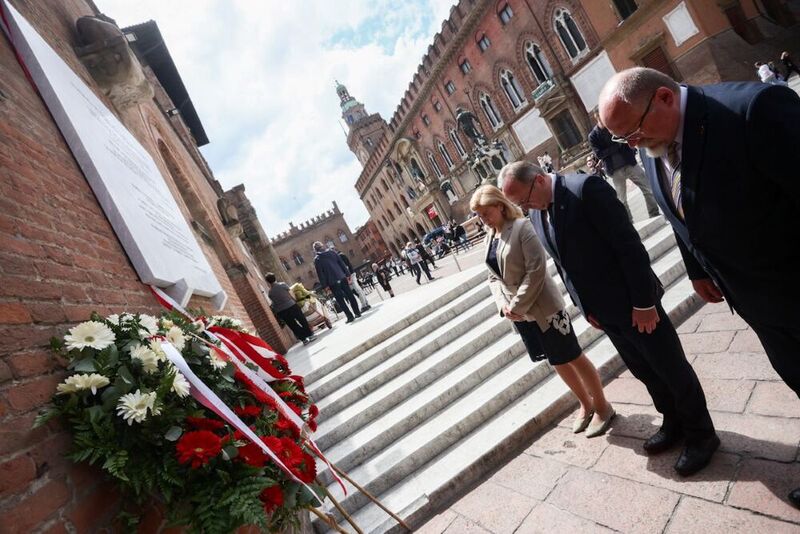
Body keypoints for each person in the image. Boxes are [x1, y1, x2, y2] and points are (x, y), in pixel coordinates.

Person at [599, 67, 800, 498]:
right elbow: (680, 213)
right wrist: (696, 267)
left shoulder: (751, 110)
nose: (631, 144)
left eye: (632, 130)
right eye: (622, 140)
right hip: (754, 300)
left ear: (666, 99)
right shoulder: (653, 152)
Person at [501, 161, 718, 477]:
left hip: (635, 304)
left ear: (538, 180)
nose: (522, 207)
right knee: (645, 370)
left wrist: (644, 303)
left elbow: (628, 246)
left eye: (523, 198)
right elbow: (565, 265)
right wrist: (585, 306)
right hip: (605, 312)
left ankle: (701, 435)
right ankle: (673, 421)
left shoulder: (585, 190)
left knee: (670, 368)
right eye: (517, 203)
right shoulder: (536, 211)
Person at [471, 184, 615, 437]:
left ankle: (603, 406)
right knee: (556, 360)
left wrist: (516, 305)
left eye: (486, 213)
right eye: (479, 215)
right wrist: (503, 305)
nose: (482, 219)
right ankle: (584, 403)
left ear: (500, 206)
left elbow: (536, 270)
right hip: (521, 314)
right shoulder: (489, 237)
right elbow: (493, 278)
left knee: (573, 356)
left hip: (544, 309)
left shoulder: (521, 228)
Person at [589, 113, 660, 219]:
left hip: (629, 163)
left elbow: (626, 139)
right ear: (597, 118)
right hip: (615, 170)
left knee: (648, 188)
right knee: (622, 200)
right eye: (603, 118)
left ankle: (654, 213)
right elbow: (599, 154)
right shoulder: (593, 135)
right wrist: (616, 146)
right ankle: (629, 222)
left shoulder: (614, 126)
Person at [312, 241, 361, 323]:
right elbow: (341, 263)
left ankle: (350, 317)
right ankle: (357, 313)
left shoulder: (317, 259)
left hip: (332, 282)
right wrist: (348, 274)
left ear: (315, 250)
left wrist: (325, 286)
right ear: (322, 246)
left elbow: (321, 274)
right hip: (342, 277)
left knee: (340, 300)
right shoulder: (332, 252)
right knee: (350, 295)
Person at [265, 273, 316, 345]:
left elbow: (275, 303)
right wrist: (295, 301)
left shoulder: (270, 293)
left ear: (268, 282)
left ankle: (304, 339)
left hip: (282, 311)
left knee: (293, 325)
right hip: (291, 305)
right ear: (275, 278)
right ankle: (310, 335)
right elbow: (291, 294)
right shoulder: (282, 285)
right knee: (302, 320)